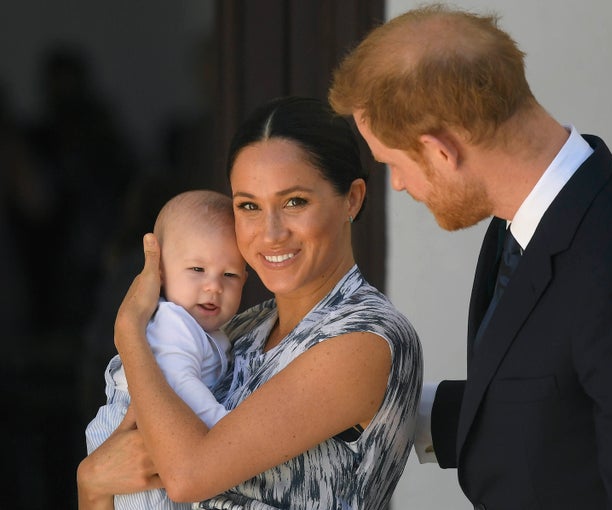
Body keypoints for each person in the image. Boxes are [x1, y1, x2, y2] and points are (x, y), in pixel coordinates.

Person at [328, 4, 612, 510]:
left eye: (394, 165)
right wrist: (378, 403)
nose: (398, 185)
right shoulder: (525, 218)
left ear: (441, 151)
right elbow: (549, 404)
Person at [77, 96, 423, 510]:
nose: (271, 233)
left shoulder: (364, 338)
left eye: (295, 201)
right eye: (249, 206)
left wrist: (129, 332)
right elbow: (124, 484)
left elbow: (187, 477)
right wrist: (91, 482)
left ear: (352, 198)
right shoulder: (237, 331)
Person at [85, 189, 247, 509]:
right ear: (159, 274)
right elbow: (181, 384)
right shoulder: (173, 324)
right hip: (133, 438)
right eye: (197, 270)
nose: (213, 286)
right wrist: (227, 432)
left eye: (229, 275)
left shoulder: (210, 331)